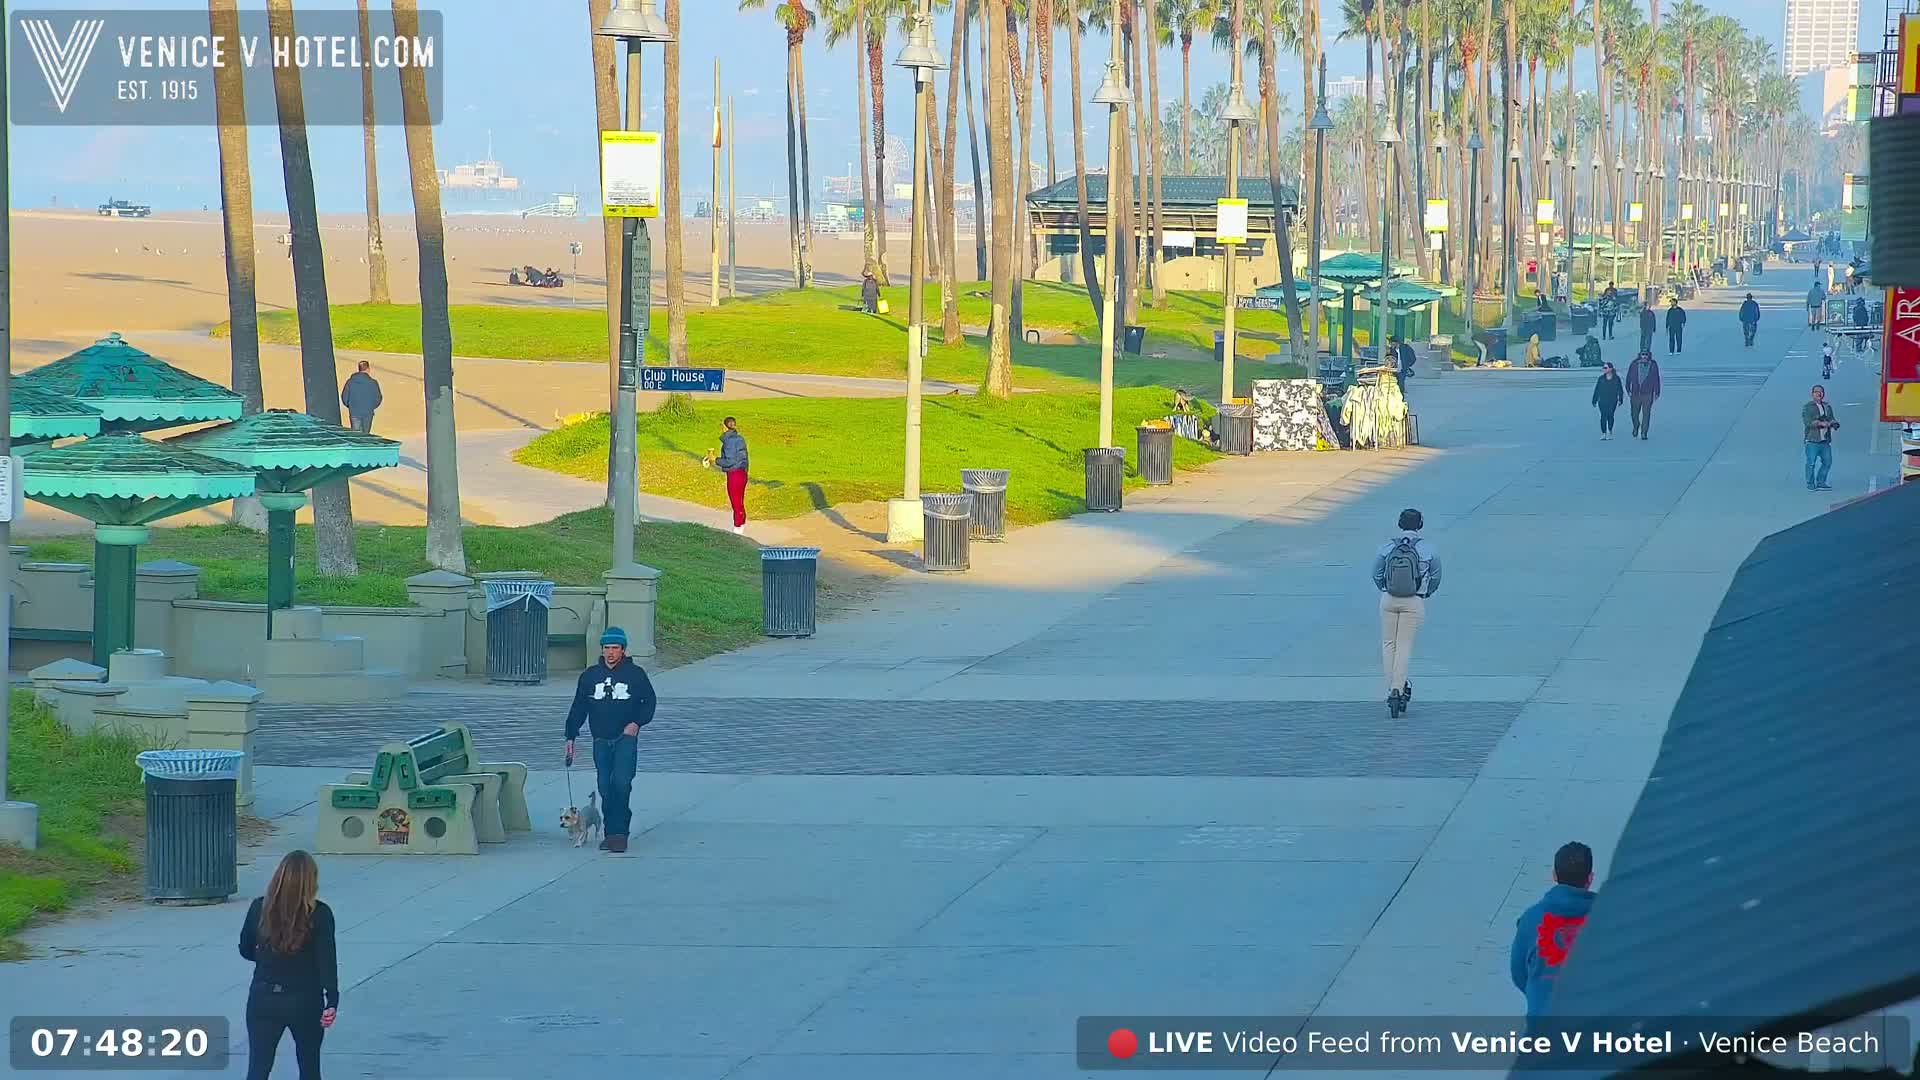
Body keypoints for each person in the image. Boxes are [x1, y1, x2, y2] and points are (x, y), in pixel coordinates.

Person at [239, 850, 338, 1080]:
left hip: (264, 997)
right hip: (305, 999)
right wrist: (332, 1000)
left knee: (258, 1067)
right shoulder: (320, 914)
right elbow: (326, 961)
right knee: (309, 1066)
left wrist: (267, 958)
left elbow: (245, 949)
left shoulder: (259, 908)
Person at [563, 629, 659, 853]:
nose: (610, 652)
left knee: (622, 783)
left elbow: (649, 702)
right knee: (605, 786)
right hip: (601, 739)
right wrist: (570, 735)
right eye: (607, 648)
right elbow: (579, 707)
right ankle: (610, 832)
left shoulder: (635, 674)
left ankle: (620, 834)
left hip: (625, 737)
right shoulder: (590, 676)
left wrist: (636, 723)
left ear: (623, 650)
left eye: (615, 648)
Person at [1510, 841, 1597, 1030]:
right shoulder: (1609, 916)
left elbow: (1518, 973)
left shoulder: (1531, 919)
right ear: (1590, 878)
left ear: (1554, 876)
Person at [1371, 508, 1440, 720]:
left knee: (1388, 644)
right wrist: (1425, 592)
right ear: (1420, 525)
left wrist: (1385, 588)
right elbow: (1436, 576)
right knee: (1404, 646)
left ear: (1400, 524)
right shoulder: (1428, 549)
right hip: (1413, 600)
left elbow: (1376, 573)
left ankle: (1392, 688)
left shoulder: (1387, 547)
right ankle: (1398, 688)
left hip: (1388, 598)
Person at [716, 415, 749, 534]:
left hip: (734, 474)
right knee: (740, 500)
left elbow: (730, 461)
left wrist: (715, 460)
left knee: (735, 501)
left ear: (725, 427)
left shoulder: (729, 442)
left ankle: (737, 527)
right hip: (742, 473)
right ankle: (741, 523)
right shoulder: (740, 439)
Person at [1803, 384, 1839, 491]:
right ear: (1812, 394)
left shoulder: (1827, 407)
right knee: (1811, 463)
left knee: (1827, 462)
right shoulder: (1808, 407)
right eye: (1816, 392)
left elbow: (1831, 418)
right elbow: (1808, 422)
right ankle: (1810, 483)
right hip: (1812, 440)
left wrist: (1834, 423)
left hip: (1825, 440)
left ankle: (1821, 482)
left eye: (1821, 392)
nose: (1819, 394)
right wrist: (1820, 423)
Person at [1625, 349, 1661, 440]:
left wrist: (1657, 392)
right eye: (1643, 354)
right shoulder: (1634, 364)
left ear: (1649, 355)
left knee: (1646, 414)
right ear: (1640, 355)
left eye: (1646, 354)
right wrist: (1628, 388)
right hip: (1635, 393)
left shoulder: (1653, 365)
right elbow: (1628, 377)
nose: (1644, 356)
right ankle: (1636, 426)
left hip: (1647, 393)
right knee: (1634, 413)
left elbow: (1656, 378)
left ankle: (1644, 432)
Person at [339, 361, 382, 434]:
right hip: (368, 412)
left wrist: (351, 406)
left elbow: (344, 397)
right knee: (365, 435)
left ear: (359, 369)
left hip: (354, 412)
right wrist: (371, 407)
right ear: (368, 369)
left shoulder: (350, 382)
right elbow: (378, 398)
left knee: (355, 435)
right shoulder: (373, 382)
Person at [1591, 361, 1624, 439]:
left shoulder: (1616, 379)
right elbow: (1597, 390)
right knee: (1603, 416)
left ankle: (1610, 430)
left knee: (1610, 415)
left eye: (1605, 368)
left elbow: (1620, 390)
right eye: (1603, 368)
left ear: (1610, 369)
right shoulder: (1601, 379)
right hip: (1602, 400)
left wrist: (1620, 399)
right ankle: (1604, 432)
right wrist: (1594, 400)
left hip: (1613, 400)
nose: (1604, 369)